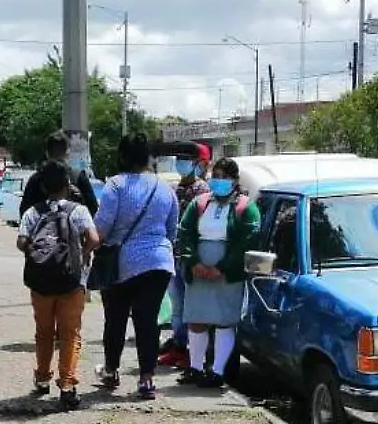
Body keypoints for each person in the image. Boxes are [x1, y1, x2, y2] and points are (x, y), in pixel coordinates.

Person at [92, 133, 180, 400]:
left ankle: (110, 370)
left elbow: (102, 227)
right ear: (148, 157)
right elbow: (171, 230)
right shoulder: (165, 189)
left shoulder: (115, 186)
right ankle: (146, 379)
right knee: (148, 321)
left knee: (116, 319)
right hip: (158, 263)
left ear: (122, 156)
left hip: (122, 263)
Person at [17, 160, 100, 410]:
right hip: (72, 282)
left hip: (40, 282)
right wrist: (82, 255)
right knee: (70, 333)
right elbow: (94, 239)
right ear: (67, 184)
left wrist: (38, 254)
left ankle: (42, 378)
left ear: (42, 186)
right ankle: (67, 385)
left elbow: (21, 241)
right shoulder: (79, 210)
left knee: (44, 332)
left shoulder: (33, 212)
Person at [175, 157, 261, 389]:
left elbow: (247, 240)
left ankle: (218, 371)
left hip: (227, 273)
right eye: (216, 177)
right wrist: (194, 262)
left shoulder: (245, 206)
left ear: (234, 180)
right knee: (196, 319)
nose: (219, 181)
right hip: (199, 268)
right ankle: (195, 367)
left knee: (224, 321)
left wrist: (222, 268)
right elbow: (185, 232)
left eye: (224, 177)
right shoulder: (200, 202)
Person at [158, 143, 211, 370]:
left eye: (185, 160)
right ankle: (179, 346)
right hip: (173, 255)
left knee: (192, 307)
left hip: (192, 257)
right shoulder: (174, 189)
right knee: (177, 306)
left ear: (195, 164)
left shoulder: (202, 190)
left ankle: (193, 352)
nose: (181, 164)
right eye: (177, 160)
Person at [19, 131, 100, 219]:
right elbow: (93, 208)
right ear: (67, 152)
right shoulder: (78, 177)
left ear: (47, 153)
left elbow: (24, 211)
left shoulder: (36, 179)